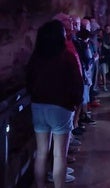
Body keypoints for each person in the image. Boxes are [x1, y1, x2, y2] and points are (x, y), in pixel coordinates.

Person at [26, 20, 83, 188]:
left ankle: (40, 186)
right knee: (59, 155)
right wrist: (75, 104)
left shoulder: (35, 58)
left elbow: (28, 81)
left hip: (38, 106)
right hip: (61, 107)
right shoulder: (67, 56)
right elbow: (77, 83)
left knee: (42, 152)